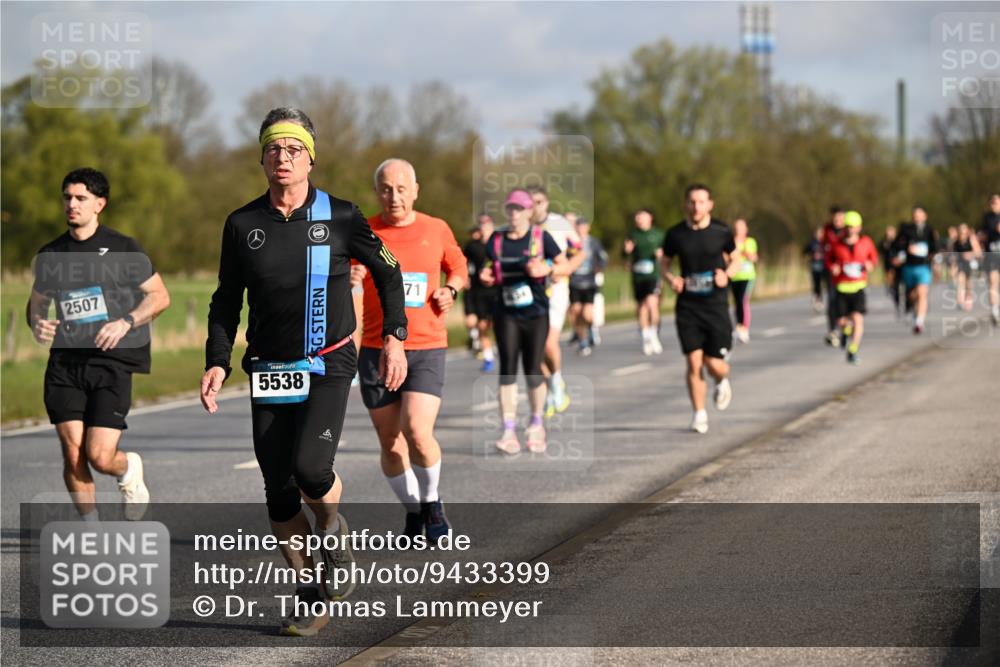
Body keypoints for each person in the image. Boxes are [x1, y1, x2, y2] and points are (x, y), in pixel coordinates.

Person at [200, 108, 407, 637]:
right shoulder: (242, 223)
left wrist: (394, 338)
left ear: (310, 157)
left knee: (312, 469)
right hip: (269, 367)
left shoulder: (341, 215)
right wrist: (217, 361)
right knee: (277, 488)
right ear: (262, 157)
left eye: (293, 149)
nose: (283, 158)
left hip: (328, 360)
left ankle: (333, 532)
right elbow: (226, 300)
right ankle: (308, 592)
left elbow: (388, 270)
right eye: (273, 149)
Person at [27, 168, 170, 523]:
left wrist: (126, 322)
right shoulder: (52, 254)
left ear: (99, 204)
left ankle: (127, 469)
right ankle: (91, 530)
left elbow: (159, 296)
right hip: (65, 365)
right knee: (73, 452)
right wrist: (38, 322)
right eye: (67, 197)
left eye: (80, 198)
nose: (71, 205)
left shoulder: (124, 249)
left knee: (99, 455)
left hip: (111, 363)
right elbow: (37, 302)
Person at [355, 158, 467, 547]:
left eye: (402, 188)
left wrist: (450, 290)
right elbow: (342, 278)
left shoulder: (435, 228)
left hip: (425, 346)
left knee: (417, 431)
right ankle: (414, 509)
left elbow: (459, 267)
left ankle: (432, 503)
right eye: (386, 189)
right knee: (390, 442)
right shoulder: (365, 231)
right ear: (377, 192)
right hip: (376, 349)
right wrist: (351, 278)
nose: (394, 196)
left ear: (415, 190)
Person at [480, 189, 567, 454]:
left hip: (536, 313)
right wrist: (486, 275)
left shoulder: (541, 238)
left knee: (532, 369)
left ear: (530, 212)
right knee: (507, 368)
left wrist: (548, 269)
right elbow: (488, 267)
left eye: (520, 209)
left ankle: (536, 422)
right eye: (511, 209)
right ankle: (508, 430)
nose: (514, 214)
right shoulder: (497, 240)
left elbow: (563, 265)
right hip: (506, 312)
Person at [661, 184, 735, 435]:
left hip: (715, 305)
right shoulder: (675, 234)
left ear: (710, 205)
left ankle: (722, 379)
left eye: (701, 202)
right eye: (692, 202)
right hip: (688, 306)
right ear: (686, 204)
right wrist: (672, 279)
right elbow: (665, 264)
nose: (696, 207)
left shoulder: (722, 231)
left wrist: (727, 274)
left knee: (714, 363)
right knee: (694, 362)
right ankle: (699, 414)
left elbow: (737, 259)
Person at [526, 185, 584, 417]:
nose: (535, 207)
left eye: (539, 202)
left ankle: (557, 382)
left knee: (548, 342)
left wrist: (566, 268)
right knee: (532, 349)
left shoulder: (559, 222)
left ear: (547, 203)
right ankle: (551, 385)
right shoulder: (521, 227)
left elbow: (580, 251)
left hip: (556, 290)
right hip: (530, 292)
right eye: (530, 203)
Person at [826, 211, 878, 364]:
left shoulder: (866, 242)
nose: (850, 230)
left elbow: (873, 258)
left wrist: (870, 265)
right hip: (842, 287)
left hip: (858, 287)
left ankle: (853, 350)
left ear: (859, 227)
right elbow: (828, 260)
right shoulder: (836, 244)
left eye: (853, 227)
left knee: (858, 320)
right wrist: (832, 267)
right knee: (842, 322)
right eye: (848, 227)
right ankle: (846, 332)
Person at [624, 209, 665, 355]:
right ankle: (646, 336)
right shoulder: (632, 235)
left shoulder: (658, 235)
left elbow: (667, 254)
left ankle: (654, 334)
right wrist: (626, 251)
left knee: (652, 303)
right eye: (637, 217)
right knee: (642, 307)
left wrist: (661, 255)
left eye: (642, 217)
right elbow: (624, 255)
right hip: (638, 276)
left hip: (653, 275)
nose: (639, 220)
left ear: (650, 218)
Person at [462, 213, 499, 371]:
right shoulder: (473, 246)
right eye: (482, 225)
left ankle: (504, 351)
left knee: (499, 325)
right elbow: (462, 261)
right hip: (479, 291)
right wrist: (464, 277)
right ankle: (488, 357)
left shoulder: (499, 244)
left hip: (497, 290)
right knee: (483, 325)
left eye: (487, 224)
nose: (484, 228)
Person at [894, 205, 939, 334]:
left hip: (924, 266)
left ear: (925, 216)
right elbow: (897, 245)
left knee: (922, 292)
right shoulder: (905, 229)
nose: (917, 216)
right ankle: (913, 308)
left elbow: (935, 247)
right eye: (915, 214)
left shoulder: (930, 230)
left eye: (919, 214)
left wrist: (933, 258)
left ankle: (919, 322)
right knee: (913, 295)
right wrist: (905, 249)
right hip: (909, 266)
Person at [567, 215, 608, 356]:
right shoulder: (570, 243)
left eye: (584, 226)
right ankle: (583, 341)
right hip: (575, 282)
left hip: (589, 282)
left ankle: (591, 328)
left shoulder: (594, 242)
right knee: (576, 312)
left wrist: (599, 268)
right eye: (579, 226)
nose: (581, 229)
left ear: (588, 228)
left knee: (587, 314)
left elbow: (603, 258)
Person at [728, 218, 758, 344]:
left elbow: (753, 257)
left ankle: (744, 328)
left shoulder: (750, 241)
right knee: (736, 302)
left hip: (747, 276)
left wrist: (741, 251)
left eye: (740, 227)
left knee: (743, 301)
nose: (738, 230)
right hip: (734, 276)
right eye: (736, 227)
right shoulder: (730, 242)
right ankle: (738, 326)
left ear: (746, 229)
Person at [822, 206, 847, 346]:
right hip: (832, 271)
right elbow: (825, 250)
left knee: (844, 301)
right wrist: (832, 266)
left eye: (840, 218)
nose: (837, 221)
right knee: (832, 300)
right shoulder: (827, 230)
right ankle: (832, 330)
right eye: (835, 218)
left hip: (847, 273)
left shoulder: (848, 231)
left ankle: (844, 328)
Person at [978, 193, 1000, 325]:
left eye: (996, 202)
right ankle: (994, 311)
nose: (994, 204)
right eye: (992, 202)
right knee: (992, 282)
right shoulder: (986, 218)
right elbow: (983, 235)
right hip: (991, 254)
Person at [953, 223, 981, 312]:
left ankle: (968, 299)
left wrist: (970, 254)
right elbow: (953, 254)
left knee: (968, 283)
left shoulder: (971, 239)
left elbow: (978, 252)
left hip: (971, 263)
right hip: (960, 263)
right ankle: (960, 300)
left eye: (964, 231)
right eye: (961, 231)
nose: (963, 233)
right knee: (960, 281)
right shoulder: (956, 241)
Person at [879, 225, 904, 317]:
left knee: (901, 285)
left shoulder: (899, 242)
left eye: (891, 232)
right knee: (894, 286)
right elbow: (881, 252)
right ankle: (897, 303)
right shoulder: (884, 243)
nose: (889, 234)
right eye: (888, 232)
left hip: (899, 267)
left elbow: (903, 253)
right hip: (888, 266)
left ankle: (905, 301)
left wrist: (899, 260)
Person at [804, 227, 826, 313]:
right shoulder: (812, 243)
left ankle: (820, 299)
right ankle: (817, 299)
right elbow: (804, 252)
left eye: (821, 233)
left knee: (824, 284)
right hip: (814, 266)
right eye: (818, 233)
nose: (819, 235)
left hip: (824, 266)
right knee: (816, 284)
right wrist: (811, 256)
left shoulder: (825, 243)